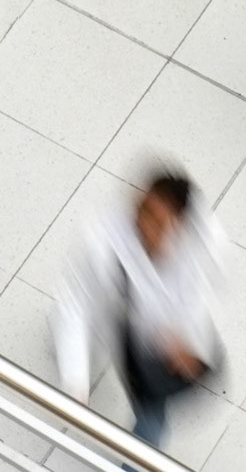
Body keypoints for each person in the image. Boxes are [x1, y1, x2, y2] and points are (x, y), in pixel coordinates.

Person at [52, 173, 225, 453]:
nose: (144, 226)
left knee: (151, 420)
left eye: (158, 223)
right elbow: (74, 306)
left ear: (180, 227)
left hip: (155, 353)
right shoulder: (101, 239)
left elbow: (205, 292)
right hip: (117, 313)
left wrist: (189, 343)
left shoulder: (205, 245)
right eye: (143, 211)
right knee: (80, 337)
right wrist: (75, 384)